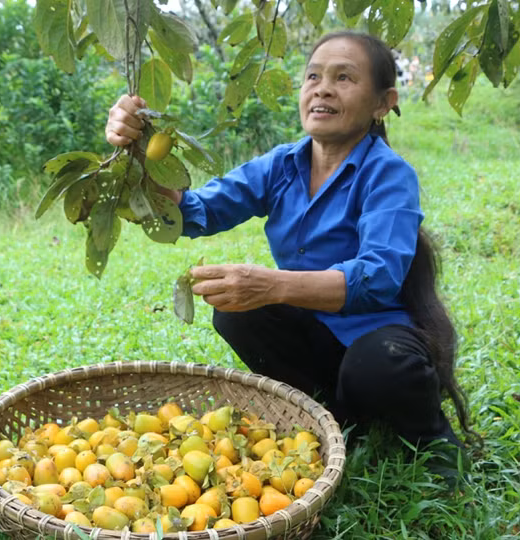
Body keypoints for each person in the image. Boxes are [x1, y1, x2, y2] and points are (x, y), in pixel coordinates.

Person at [106, 31, 475, 474]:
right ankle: (334, 416)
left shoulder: (389, 174)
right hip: (315, 335)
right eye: (314, 76)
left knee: (377, 364)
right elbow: (196, 212)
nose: (322, 87)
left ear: (383, 102)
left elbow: (377, 278)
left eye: (344, 78)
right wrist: (138, 152)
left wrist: (270, 284)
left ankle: (432, 440)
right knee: (235, 312)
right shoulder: (282, 165)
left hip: (379, 337)